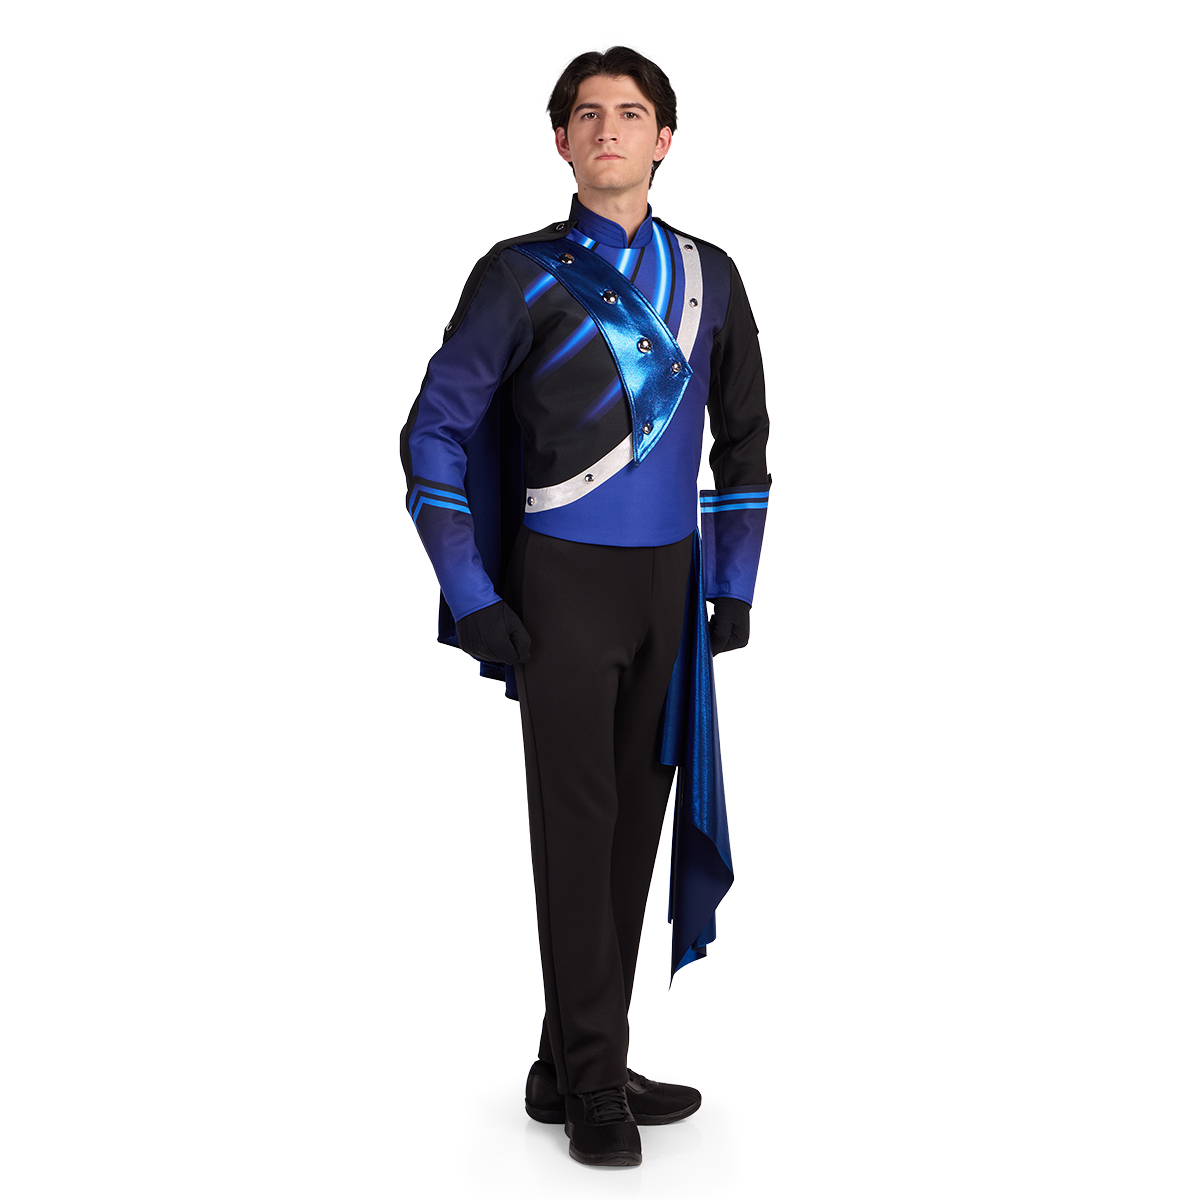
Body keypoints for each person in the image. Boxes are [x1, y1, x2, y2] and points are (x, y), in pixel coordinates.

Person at [400, 46, 770, 1167]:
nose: (610, 128)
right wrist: (471, 591)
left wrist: (733, 580)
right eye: (589, 114)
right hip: (561, 586)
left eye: (633, 112)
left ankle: (569, 1061)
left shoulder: (713, 277)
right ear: (561, 141)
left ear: (665, 139)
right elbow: (433, 431)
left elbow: (745, 434)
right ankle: (595, 1084)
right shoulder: (516, 275)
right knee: (577, 831)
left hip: (670, 587)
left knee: (632, 834)